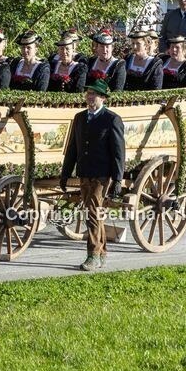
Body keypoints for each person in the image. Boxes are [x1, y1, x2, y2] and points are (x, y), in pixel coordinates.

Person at [60, 79, 125, 271]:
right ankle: (102, 252)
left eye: (94, 94)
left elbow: (118, 152)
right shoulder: (80, 117)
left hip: (102, 174)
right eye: (88, 93)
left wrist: (118, 179)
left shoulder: (112, 119)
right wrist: (65, 174)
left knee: (92, 213)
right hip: (84, 171)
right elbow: (72, 148)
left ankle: (93, 255)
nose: (89, 97)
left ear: (103, 98)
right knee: (93, 212)